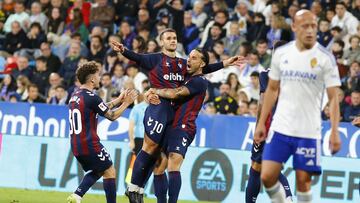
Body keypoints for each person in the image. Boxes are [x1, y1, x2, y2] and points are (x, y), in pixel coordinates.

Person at [111, 28, 245, 203]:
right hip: (157, 108)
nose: (173, 40)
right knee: (149, 147)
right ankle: (133, 187)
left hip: (172, 115)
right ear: (162, 42)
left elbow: (203, 68)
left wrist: (225, 63)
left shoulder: (183, 64)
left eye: (174, 37)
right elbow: (138, 57)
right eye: (168, 38)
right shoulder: (155, 58)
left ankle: (142, 190)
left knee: (159, 161)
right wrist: (123, 50)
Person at [254, 10, 341, 203]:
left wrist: (335, 131)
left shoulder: (326, 58)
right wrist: (261, 123)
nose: (310, 30)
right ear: (294, 27)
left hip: (308, 131)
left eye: (313, 26)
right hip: (281, 126)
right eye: (305, 26)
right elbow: (272, 90)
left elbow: (334, 98)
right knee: (267, 177)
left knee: (303, 183)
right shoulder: (282, 54)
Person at [66, 61, 139, 203]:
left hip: (76, 145)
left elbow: (100, 107)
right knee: (109, 170)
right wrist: (127, 103)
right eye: (98, 75)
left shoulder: (75, 96)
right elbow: (111, 116)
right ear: (92, 79)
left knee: (100, 170)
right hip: (90, 143)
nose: (100, 78)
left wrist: (118, 99)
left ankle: (77, 195)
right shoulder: (91, 97)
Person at [147, 48, 210, 203]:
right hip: (169, 124)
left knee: (173, 162)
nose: (189, 60)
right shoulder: (185, 77)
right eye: (189, 56)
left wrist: (155, 90)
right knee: (158, 166)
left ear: (202, 63)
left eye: (194, 58)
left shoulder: (199, 81)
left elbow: (175, 93)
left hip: (184, 126)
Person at [245, 41, 293, 203]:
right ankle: (289, 199)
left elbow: (263, 101)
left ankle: (288, 198)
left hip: (270, 125)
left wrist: (259, 125)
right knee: (266, 165)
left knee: (257, 166)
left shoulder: (267, 74)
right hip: (288, 125)